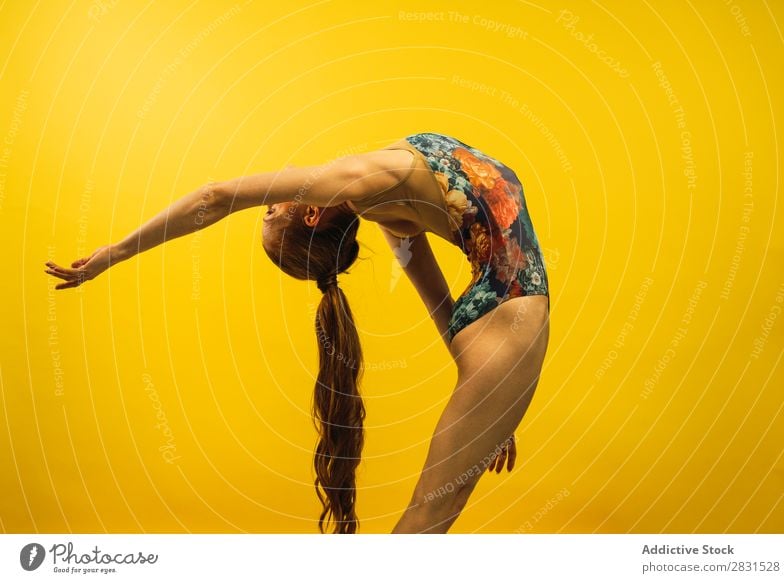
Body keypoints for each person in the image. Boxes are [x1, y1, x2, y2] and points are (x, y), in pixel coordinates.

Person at [44, 131, 551, 534]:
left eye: (267, 211)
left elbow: (443, 302)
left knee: (431, 516)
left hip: (494, 318)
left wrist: (484, 386)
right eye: (272, 211)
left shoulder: (387, 212)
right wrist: (116, 252)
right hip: (510, 311)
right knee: (428, 517)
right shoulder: (354, 181)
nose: (272, 202)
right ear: (310, 212)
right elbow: (217, 196)